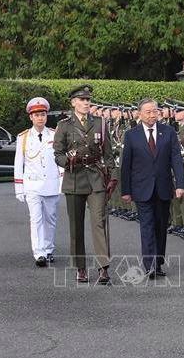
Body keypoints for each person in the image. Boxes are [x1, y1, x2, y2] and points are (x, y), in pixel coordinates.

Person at [53, 85, 116, 284]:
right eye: (82, 100)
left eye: (88, 100)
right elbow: (57, 154)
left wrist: (113, 176)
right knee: (76, 226)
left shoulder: (100, 123)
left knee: (99, 222)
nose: (86, 103)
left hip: (96, 177)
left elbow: (109, 154)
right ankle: (80, 267)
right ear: (73, 103)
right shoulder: (64, 125)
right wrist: (67, 161)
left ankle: (103, 266)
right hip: (73, 179)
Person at [120, 98, 184, 278]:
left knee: (160, 227)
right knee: (147, 227)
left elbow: (176, 160)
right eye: (148, 112)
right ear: (139, 114)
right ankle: (149, 265)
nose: (152, 115)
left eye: (154, 111)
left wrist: (180, 184)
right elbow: (126, 164)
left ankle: (158, 262)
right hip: (141, 189)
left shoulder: (168, 132)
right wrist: (125, 190)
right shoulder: (131, 135)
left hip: (164, 188)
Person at [14, 97, 61, 268]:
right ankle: (39, 253)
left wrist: (62, 182)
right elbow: (19, 163)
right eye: (37, 115)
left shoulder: (55, 135)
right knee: (36, 219)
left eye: (43, 114)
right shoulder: (24, 138)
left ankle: (48, 249)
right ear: (31, 117)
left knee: (51, 218)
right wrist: (19, 188)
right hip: (32, 185)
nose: (40, 118)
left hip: (51, 184)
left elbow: (60, 160)